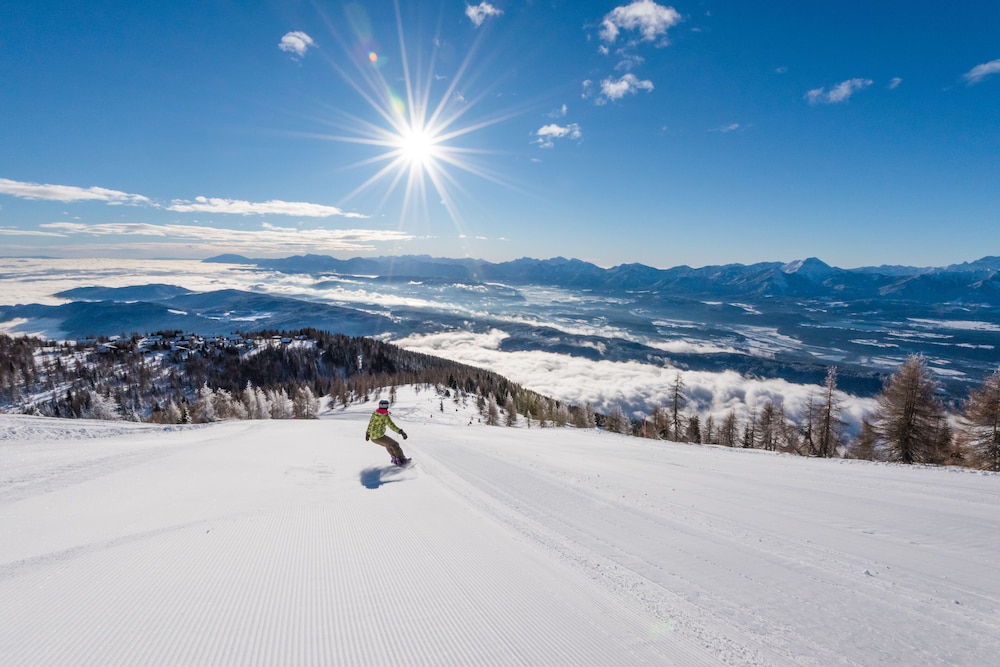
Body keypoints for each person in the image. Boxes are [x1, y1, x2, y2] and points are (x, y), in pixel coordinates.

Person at [365, 399, 410, 465]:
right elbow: (392, 426)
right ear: (385, 406)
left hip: (373, 438)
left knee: (388, 444)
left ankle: (395, 458)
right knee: (395, 444)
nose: (387, 407)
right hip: (379, 437)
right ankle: (402, 460)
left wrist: (368, 433)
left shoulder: (375, 414)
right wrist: (400, 431)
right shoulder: (385, 416)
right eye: (387, 405)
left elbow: (370, 424)